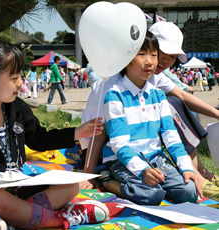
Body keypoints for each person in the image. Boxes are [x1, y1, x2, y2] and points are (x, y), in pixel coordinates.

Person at [0, 39, 108, 230]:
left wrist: (77, 132)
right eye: (14, 78)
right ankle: (59, 220)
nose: (21, 83)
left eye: (20, 76)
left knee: (71, 185)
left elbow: (40, 139)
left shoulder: (17, 109)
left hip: (18, 188)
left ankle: (15, 218)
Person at [80, 21, 219, 196]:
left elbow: (183, 96)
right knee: (150, 193)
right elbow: (98, 132)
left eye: (172, 56)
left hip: (145, 151)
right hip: (103, 147)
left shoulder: (153, 77)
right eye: (162, 53)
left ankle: (198, 172)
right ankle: (107, 178)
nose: (167, 60)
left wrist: (217, 114)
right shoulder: (113, 87)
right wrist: (89, 174)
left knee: (175, 102)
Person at [98, 31, 199, 205]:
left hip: (156, 158)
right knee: (152, 195)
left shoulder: (158, 95)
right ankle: (107, 181)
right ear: (126, 59)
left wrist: (187, 168)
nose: (150, 61)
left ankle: (156, 186)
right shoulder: (114, 95)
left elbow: (171, 137)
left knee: (189, 191)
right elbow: (119, 144)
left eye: (154, 55)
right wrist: (143, 170)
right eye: (142, 54)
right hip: (123, 159)